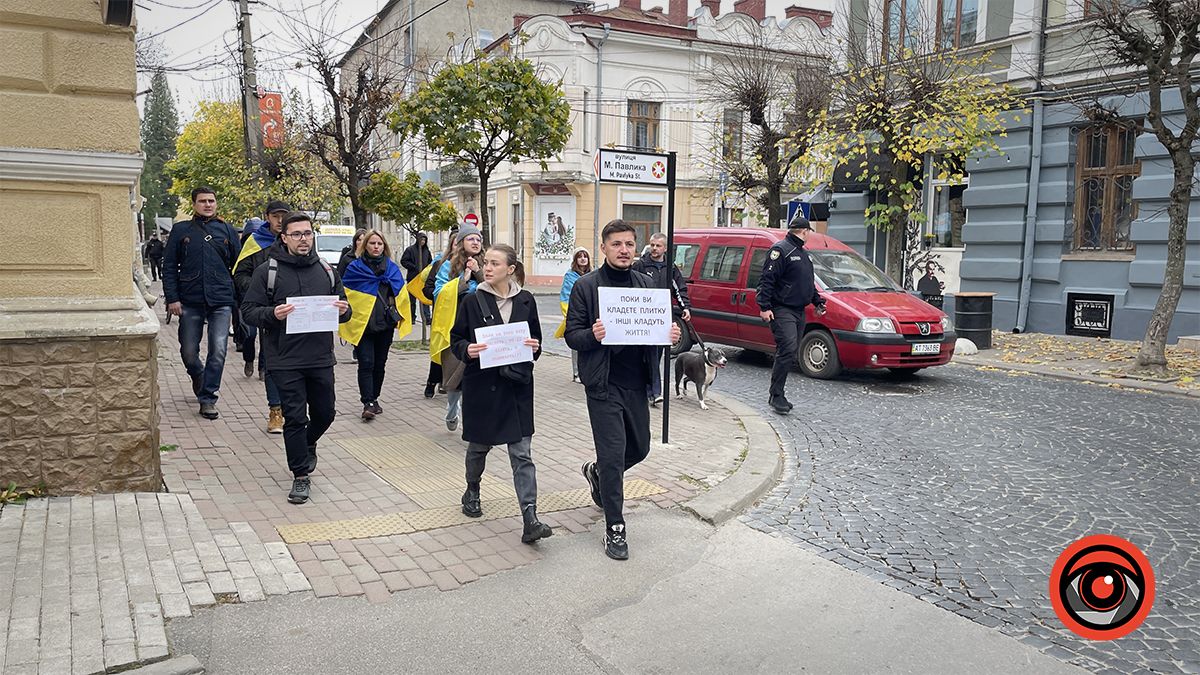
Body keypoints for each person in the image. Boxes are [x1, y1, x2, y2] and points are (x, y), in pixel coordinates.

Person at [565, 220, 681, 561]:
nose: (624, 250)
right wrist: (593, 335)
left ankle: (598, 472)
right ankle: (615, 527)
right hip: (602, 384)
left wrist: (669, 337)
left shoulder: (646, 284)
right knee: (614, 454)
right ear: (603, 248)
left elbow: (656, 330)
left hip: (636, 383)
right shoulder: (586, 287)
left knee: (641, 448)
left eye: (630, 244)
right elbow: (573, 335)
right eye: (616, 244)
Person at [240, 212, 351, 505]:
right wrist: (272, 314)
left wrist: (344, 310)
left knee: (326, 413)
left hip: (320, 357)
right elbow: (248, 311)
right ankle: (300, 476)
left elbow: (345, 307)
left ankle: (307, 442)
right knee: (295, 418)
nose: (304, 239)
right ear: (284, 238)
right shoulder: (268, 271)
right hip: (284, 359)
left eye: (308, 233)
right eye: (297, 234)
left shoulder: (327, 270)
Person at [450, 244, 552, 544]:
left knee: (522, 454)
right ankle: (472, 488)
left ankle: (530, 517)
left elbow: (536, 342)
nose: (488, 267)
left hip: (517, 387)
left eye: (495, 263)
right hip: (483, 386)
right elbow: (457, 337)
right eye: (486, 263)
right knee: (478, 448)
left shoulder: (526, 300)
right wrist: (466, 350)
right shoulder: (473, 300)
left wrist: (534, 348)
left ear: (511, 268)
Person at [162, 187, 242, 420]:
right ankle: (198, 374)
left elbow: (238, 268)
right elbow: (168, 268)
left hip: (221, 300)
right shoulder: (181, 230)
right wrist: (172, 298)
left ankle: (208, 398)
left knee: (218, 351)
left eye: (212, 201)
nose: (208, 204)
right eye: (203, 201)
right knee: (188, 352)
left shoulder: (227, 230)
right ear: (194, 204)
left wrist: (239, 299)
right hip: (190, 299)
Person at [756, 215, 827, 415]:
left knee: (790, 351)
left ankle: (778, 393)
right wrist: (764, 307)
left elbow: (806, 283)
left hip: (798, 309)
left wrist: (817, 301)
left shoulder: (803, 254)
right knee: (787, 348)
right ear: (805, 231)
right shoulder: (781, 250)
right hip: (781, 308)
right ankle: (776, 395)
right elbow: (767, 280)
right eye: (809, 232)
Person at [233, 200, 290, 433]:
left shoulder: (295, 238)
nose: (279, 221)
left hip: (294, 310)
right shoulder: (254, 243)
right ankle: (275, 410)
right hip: (268, 311)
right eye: (275, 216)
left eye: (283, 216)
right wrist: (262, 289)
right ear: (267, 217)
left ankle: (293, 408)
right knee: (271, 360)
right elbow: (240, 274)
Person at [341, 230, 407, 421]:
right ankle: (367, 402)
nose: (376, 247)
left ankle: (375, 397)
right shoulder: (354, 268)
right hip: (363, 324)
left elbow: (401, 294)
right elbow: (347, 293)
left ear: (384, 246)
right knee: (366, 363)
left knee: (380, 364)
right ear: (365, 246)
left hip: (385, 324)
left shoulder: (392, 269)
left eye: (379, 244)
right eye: (372, 243)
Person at [431, 224, 484, 431]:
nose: (475, 243)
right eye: (471, 239)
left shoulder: (487, 263)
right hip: (455, 326)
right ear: (461, 242)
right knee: (454, 376)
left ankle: (474, 423)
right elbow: (439, 292)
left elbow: (496, 289)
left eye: (478, 239)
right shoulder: (448, 265)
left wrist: (479, 273)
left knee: (478, 377)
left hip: (480, 327)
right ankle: (452, 409)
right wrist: (464, 279)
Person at [632, 232, 692, 406]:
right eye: (652, 245)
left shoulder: (670, 268)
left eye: (658, 245)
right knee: (647, 353)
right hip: (643, 317)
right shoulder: (641, 265)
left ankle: (651, 389)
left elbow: (679, 289)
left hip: (662, 318)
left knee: (656, 354)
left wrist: (685, 308)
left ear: (665, 248)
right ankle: (655, 391)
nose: (654, 248)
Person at [421, 231, 458, 398]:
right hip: (442, 314)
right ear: (451, 246)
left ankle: (449, 383)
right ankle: (432, 382)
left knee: (456, 351)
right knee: (441, 348)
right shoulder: (440, 265)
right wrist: (444, 293)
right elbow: (428, 289)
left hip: (460, 315)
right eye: (457, 244)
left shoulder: (472, 265)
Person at [557, 247, 591, 383]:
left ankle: (587, 371)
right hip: (576, 314)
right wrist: (569, 313)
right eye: (580, 256)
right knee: (577, 344)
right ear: (575, 259)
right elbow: (566, 295)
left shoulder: (593, 275)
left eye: (585, 256)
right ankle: (576, 373)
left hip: (591, 314)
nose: (583, 259)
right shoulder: (570, 276)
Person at [400, 232, 433, 325]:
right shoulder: (410, 250)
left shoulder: (426, 251)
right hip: (413, 277)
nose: (422, 242)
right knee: (412, 300)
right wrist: (414, 267)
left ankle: (426, 318)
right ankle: (412, 317)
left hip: (423, 279)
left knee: (424, 298)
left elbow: (430, 262)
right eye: (421, 240)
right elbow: (404, 261)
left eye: (424, 240)